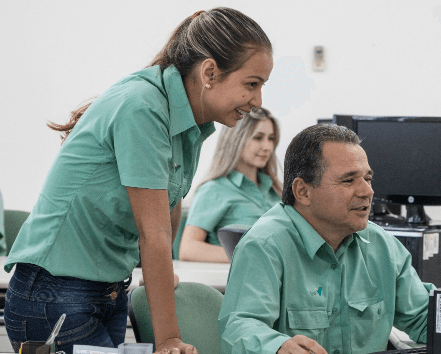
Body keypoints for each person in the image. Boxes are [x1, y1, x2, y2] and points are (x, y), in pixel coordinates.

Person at [4, 7, 273, 354]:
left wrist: (158, 275)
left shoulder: (189, 120)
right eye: (252, 84)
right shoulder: (143, 106)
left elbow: (168, 205)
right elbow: (153, 232)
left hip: (107, 289)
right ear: (209, 72)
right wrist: (168, 339)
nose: (258, 101)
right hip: (55, 293)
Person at [218, 124, 434, 354]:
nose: (367, 191)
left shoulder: (382, 246)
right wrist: (278, 347)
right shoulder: (265, 245)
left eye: (368, 179)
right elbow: (240, 327)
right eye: (348, 180)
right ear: (303, 192)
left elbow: (424, 319)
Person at [179, 107, 282, 262]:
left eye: (271, 138)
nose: (267, 146)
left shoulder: (278, 191)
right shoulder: (213, 190)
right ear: (236, 139)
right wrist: (255, 258)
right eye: (258, 138)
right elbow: (188, 249)